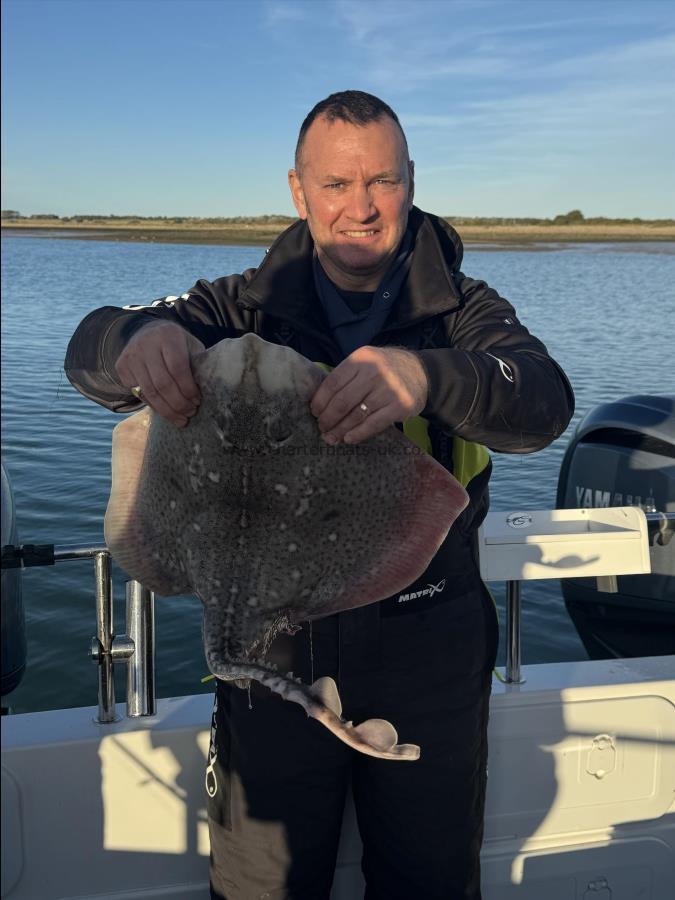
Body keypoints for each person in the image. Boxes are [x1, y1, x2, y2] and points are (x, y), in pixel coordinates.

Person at [65, 90, 574, 900]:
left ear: (410, 183)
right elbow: (88, 342)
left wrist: (427, 375)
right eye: (335, 185)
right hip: (270, 634)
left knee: (429, 881)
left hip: (425, 640)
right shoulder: (232, 306)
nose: (361, 206)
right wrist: (135, 341)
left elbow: (542, 401)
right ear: (299, 193)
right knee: (260, 882)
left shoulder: (461, 313)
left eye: (382, 181)